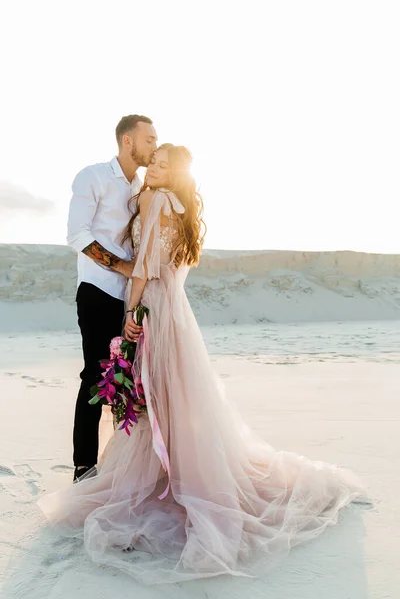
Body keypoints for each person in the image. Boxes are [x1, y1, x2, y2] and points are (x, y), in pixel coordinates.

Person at [38, 143, 368, 584]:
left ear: (172, 174)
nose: (151, 169)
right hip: (177, 309)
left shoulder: (156, 200)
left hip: (154, 307)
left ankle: (162, 480)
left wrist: (131, 316)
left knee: (158, 395)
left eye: (159, 164)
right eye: (150, 161)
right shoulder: (180, 205)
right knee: (176, 396)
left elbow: (143, 270)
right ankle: (176, 471)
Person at [66, 115, 157, 482]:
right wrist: (122, 268)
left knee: (125, 380)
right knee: (94, 375)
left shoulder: (141, 185)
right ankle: (84, 466)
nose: (153, 145)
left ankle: (122, 463)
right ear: (127, 141)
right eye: (148, 139)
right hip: (98, 291)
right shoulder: (94, 176)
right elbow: (77, 234)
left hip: (130, 299)